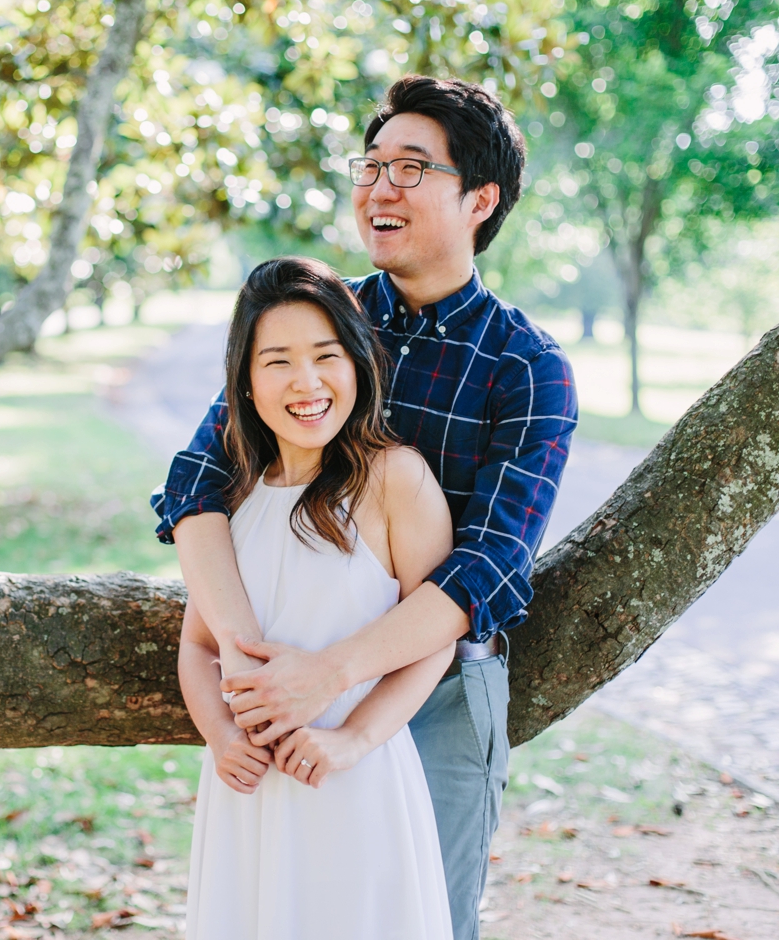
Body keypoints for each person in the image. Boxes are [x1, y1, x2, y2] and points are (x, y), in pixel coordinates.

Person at [153, 76, 578, 940]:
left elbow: (490, 567)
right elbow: (199, 480)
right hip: (274, 676)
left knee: (416, 916)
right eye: (372, 165)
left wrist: (335, 674)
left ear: (480, 199)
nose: (380, 188)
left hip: (439, 688)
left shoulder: (525, 366)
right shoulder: (319, 320)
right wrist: (241, 655)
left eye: (412, 168)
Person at [179, 256, 456, 940]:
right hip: (246, 788)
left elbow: (436, 634)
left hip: (348, 777)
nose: (305, 383)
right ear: (244, 382)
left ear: (358, 364)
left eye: (325, 356)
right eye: (277, 361)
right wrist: (219, 733)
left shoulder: (396, 479)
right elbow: (198, 644)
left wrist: (352, 741)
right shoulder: (234, 496)